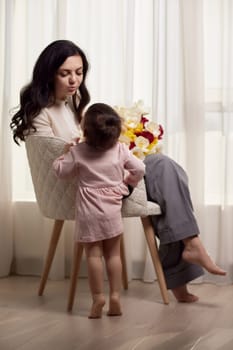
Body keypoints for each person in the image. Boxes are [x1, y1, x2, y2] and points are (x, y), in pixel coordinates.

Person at [10, 39, 225, 304]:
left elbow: (85, 141)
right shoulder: (41, 112)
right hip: (91, 188)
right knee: (167, 172)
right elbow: (52, 154)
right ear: (48, 72)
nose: (74, 80)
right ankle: (189, 250)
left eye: (79, 72)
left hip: (102, 173)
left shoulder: (70, 103)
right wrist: (84, 147)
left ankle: (187, 257)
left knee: (170, 172)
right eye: (65, 73)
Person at [53, 103, 145, 318]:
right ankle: (115, 296)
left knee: (93, 256)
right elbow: (139, 168)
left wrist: (63, 154)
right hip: (112, 209)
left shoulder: (78, 151)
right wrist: (129, 183)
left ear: (85, 132)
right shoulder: (120, 149)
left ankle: (97, 298)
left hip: (88, 211)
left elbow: (61, 172)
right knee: (113, 255)